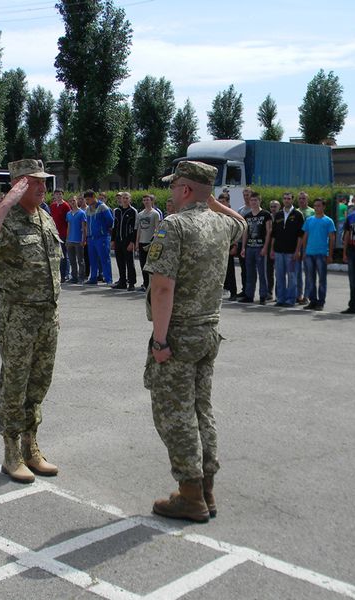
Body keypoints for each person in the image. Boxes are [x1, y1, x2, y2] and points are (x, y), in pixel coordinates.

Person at [143, 160, 245, 523]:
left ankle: (190, 495)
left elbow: (163, 286)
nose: (169, 194)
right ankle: (207, 490)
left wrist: (159, 341)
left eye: (174, 187)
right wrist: (209, 201)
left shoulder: (175, 226)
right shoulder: (222, 224)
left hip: (180, 334)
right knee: (201, 410)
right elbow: (242, 223)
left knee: (175, 413)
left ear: (185, 189)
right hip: (208, 332)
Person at [0, 159, 62, 483]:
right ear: (18, 184)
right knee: (15, 386)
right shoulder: (6, 219)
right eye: (34, 182)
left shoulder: (45, 218)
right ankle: (11, 453)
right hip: (18, 318)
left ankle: (30, 445)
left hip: (47, 318)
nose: (42, 187)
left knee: (38, 385)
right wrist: (5, 204)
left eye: (43, 182)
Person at [300, 198, 336, 310]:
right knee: (310, 279)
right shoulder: (309, 220)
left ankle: (321, 302)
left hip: (321, 254)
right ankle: (312, 301)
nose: (316, 208)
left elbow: (332, 238)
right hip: (309, 254)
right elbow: (305, 236)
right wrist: (304, 251)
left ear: (323, 207)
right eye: (315, 206)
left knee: (322, 280)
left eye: (319, 205)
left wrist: (330, 254)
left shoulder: (328, 221)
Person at [270, 192, 304, 307]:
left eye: (288, 198)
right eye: (284, 198)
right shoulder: (278, 215)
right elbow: (273, 234)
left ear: (292, 200)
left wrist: (298, 250)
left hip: (291, 252)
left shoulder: (298, 215)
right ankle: (280, 299)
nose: (286, 200)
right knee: (279, 276)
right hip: (279, 251)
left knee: (292, 277)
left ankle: (290, 299)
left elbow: (300, 235)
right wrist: (272, 250)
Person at [239, 191, 271, 304]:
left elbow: (269, 232)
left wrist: (265, 247)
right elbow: (245, 233)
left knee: (262, 273)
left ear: (259, 201)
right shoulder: (247, 216)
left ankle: (263, 296)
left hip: (260, 247)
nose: (253, 202)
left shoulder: (266, 215)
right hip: (249, 248)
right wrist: (243, 248)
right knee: (250, 273)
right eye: (251, 200)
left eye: (255, 200)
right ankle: (249, 295)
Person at [84, 189, 114, 285]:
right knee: (92, 259)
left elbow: (110, 221)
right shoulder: (88, 209)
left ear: (93, 197)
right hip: (91, 237)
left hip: (102, 237)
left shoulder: (103, 207)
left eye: (88, 199)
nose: (86, 202)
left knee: (104, 259)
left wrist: (103, 230)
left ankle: (108, 279)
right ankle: (93, 278)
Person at [112, 191, 138, 290]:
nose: (125, 199)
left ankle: (131, 283)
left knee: (130, 263)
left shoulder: (133, 211)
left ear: (130, 199)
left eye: (127, 198)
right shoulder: (117, 211)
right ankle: (122, 282)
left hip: (128, 240)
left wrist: (132, 242)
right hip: (118, 240)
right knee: (120, 262)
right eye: (123, 198)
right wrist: (113, 240)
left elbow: (135, 228)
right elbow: (114, 226)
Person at [136, 194, 161, 291]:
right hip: (142, 241)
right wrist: (137, 242)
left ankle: (152, 285)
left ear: (151, 201)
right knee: (143, 265)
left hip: (151, 243)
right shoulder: (140, 214)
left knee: (151, 266)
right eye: (144, 200)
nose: (146, 202)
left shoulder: (155, 213)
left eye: (148, 200)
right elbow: (139, 229)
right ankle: (145, 284)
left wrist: (155, 241)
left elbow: (157, 229)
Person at [217, 194, 239, 300]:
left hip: (229, 245)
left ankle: (233, 292)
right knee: (219, 270)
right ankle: (221, 290)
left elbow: (237, 231)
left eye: (223, 201)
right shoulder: (216, 214)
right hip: (219, 246)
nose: (221, 203)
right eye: (219, 201)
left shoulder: (231, 214)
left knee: (230, 271)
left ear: (228, 202)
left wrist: (235, 246)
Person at [295, 191, 315, 304]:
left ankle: (307, 296)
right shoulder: (295, 212)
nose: (301, 200)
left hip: (308, 246)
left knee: (308, 272)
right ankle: (299, 295)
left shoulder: (312, 212)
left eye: (303, 198)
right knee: (297, 272)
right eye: (300, 198)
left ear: (307, 200)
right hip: (297, 246)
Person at [50, 189, 70, 282]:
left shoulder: (66, 206)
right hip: (54, 233)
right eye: (56, 194)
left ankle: (65, 274)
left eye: (59, 194)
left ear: (62, 195)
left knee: (64, 255)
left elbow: (68, 220)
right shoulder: (53, 205)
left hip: (63, 233)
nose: (58, 196)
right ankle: (57, 273)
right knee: (56, 255)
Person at [65, 197, 87, 283]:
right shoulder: (69, 214)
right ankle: (74, 277)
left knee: (80, 260)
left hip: (78, 240)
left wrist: (83, 239)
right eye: (70, 201)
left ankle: (81, 277)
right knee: (72, 260)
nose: (72, 202)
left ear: (77, 201)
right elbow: (69, 227)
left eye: (74, 200)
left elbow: (84, 228)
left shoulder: (82, 213)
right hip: (70, 240)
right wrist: (67, 239)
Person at [266, 200, 280, 300]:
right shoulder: (267, 217)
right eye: (271, 206)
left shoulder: (282, 217)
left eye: (275, 206)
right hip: (268, 248)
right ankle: (269, 292)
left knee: (279, 272)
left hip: (279, 248)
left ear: (279, 207)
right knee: (269, 271)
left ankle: (279, 294)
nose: (273, 208)